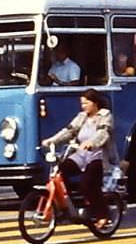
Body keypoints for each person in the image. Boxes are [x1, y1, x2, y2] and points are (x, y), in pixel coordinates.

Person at [41, 89, 115, 228]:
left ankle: (103, 214)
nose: (83, 106)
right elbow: (69, 131)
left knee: (87, 185)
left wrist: (92, 143)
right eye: (82, 103)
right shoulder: (81, 117)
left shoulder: (105, 116)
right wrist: (52, 141)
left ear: (95, 103)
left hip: (97, 156)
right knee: (61, 171)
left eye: (86, 103)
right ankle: (68, 206)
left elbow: (103, 133)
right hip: (80, 155)